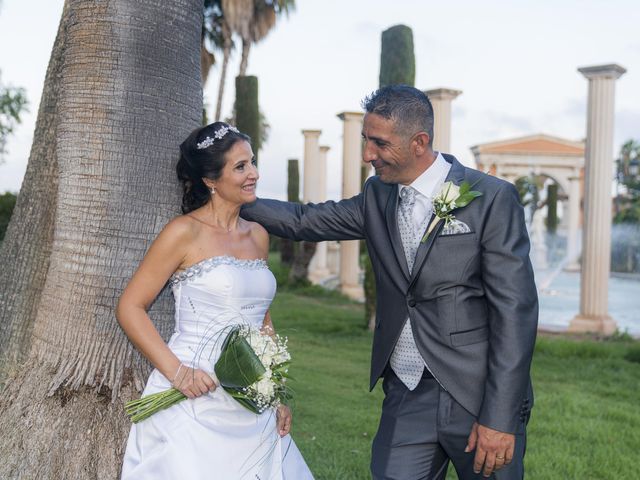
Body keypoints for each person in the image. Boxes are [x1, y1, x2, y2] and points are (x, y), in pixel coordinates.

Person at [241, 85, 538, 479]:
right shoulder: (376, 196)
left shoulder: (491, 199)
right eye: (366, 140)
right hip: (406, 392)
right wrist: (233, 198)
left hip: (477, 393)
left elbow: (515, 313)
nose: (367, 154)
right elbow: (303, 220)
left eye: (378, 143)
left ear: (419, 142)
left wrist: (499, 418)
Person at [117, 122, 313, 480]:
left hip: (251, 395)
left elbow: (262, 318)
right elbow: (130, 306)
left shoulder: (258, 235)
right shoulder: (183, 233)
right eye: (240, 167)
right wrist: (179, 373)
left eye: (252, 162)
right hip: (195, 393)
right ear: (210, 180)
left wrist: (274, 393)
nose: (253, 173)